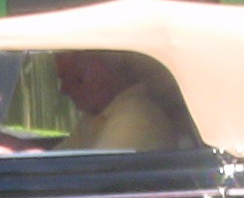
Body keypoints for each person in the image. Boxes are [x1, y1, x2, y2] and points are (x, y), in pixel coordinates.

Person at [51, 51, 186, 152]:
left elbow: (96, 178)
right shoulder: (95, 118)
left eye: (76, 78)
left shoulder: (136, 116)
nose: (64, 89)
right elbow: (54, 164)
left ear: (103, 70)